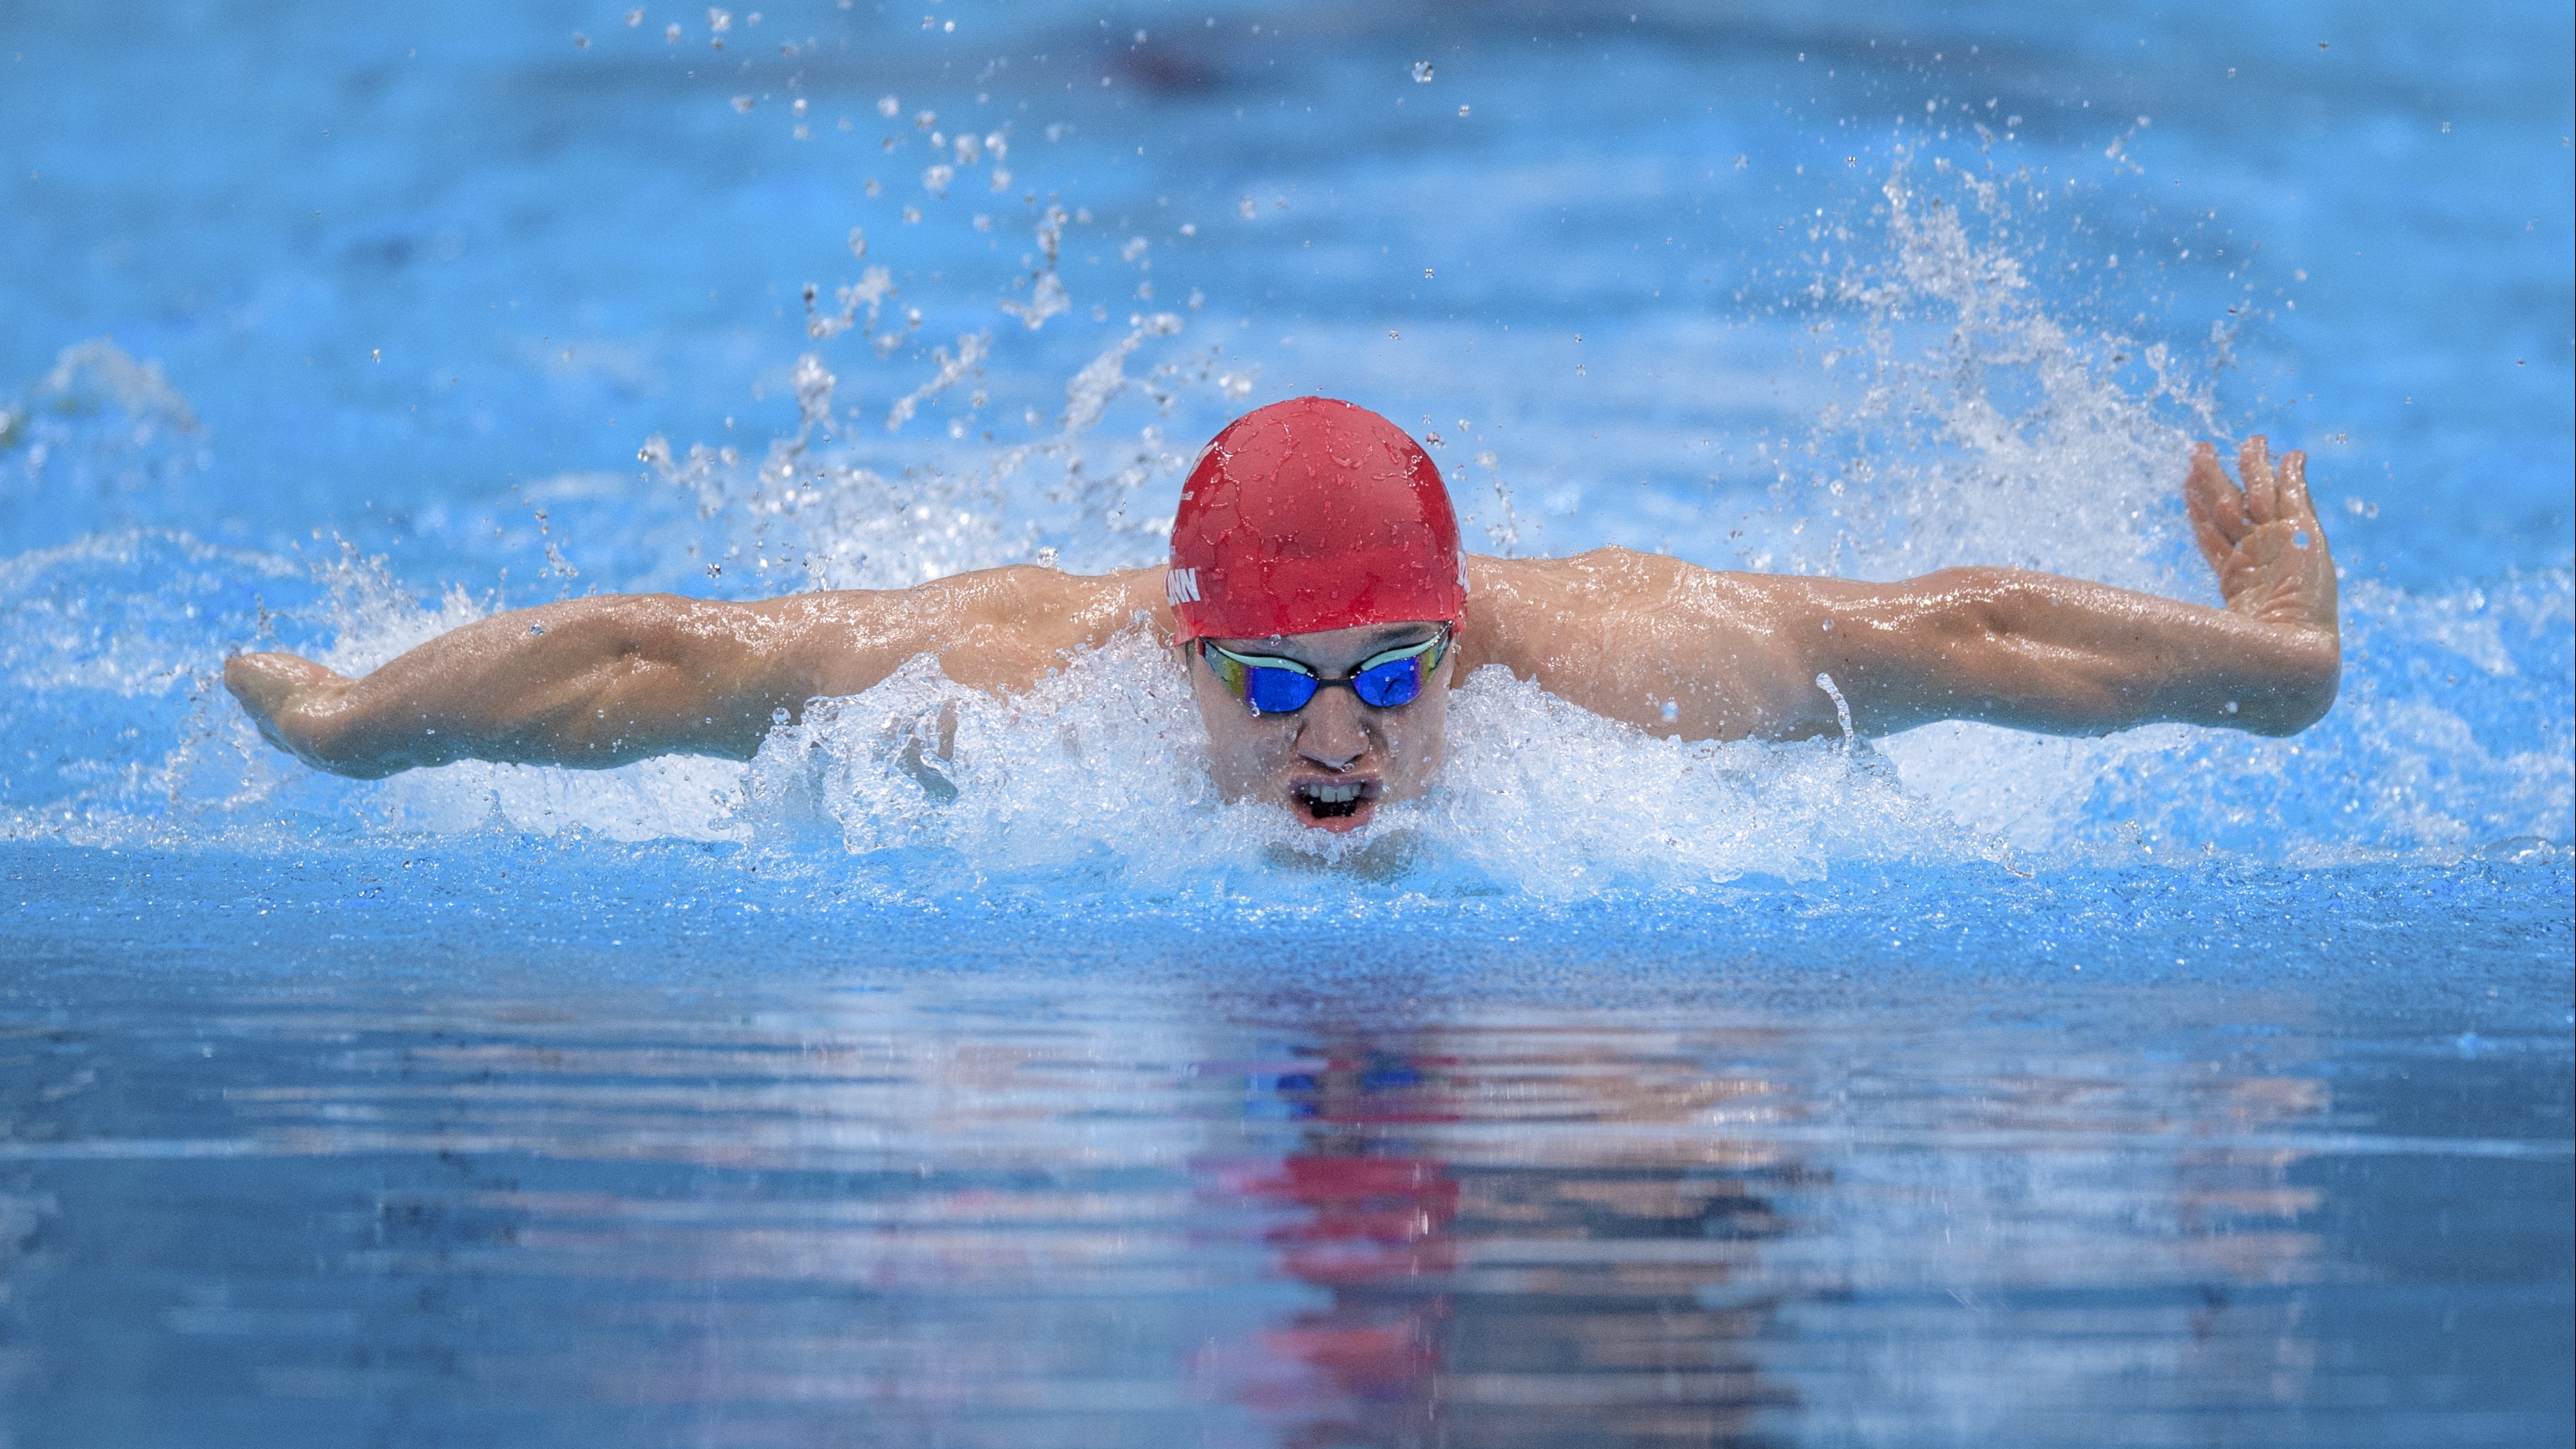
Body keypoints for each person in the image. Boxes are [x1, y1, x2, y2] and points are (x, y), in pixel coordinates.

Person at [224, 397, 2341, 833]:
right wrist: (354, 727)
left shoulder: (1618, 660)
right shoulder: (1025, 671)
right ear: (1182, 655)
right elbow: (669, 660)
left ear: (1455, 641)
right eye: (1279, 682)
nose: (1341, 735)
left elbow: (1955, 636)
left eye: (1390, 674)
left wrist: (2269, 655)